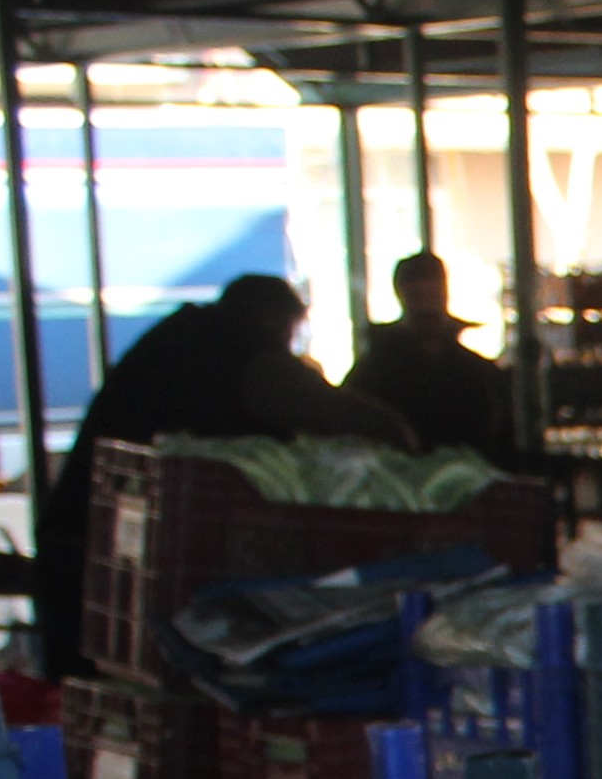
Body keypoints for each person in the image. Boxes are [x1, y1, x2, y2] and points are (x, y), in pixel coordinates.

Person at [30, 274, 407, 673]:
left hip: (91, 542)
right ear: (270, 321)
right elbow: (318, 406)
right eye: (288, 331)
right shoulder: (234, 351)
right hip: (104, 553)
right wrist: (397, 436)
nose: (287, 344)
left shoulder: (185, 337)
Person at [343, 253, 515, 460]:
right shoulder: (373, 372)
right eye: (418, 296)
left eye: (432, 296)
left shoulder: (479, 372)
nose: (426, 306)